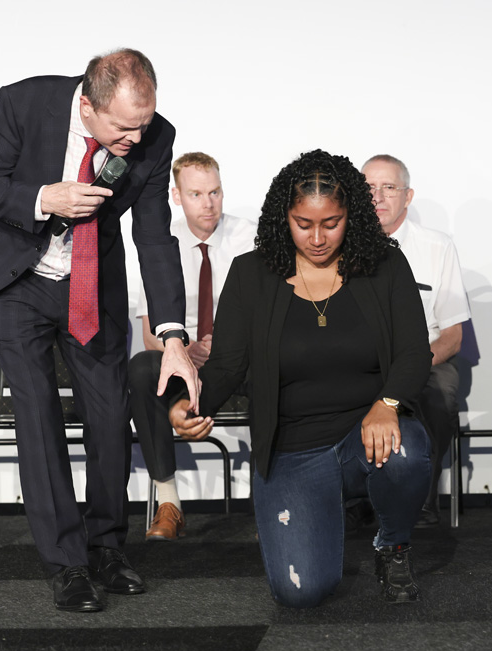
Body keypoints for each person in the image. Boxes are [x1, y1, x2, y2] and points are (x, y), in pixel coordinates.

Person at [0, 49, 198, 612]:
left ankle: (106, 548)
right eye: (123, 127)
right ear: (87, 106)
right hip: (16, 279)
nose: (136, 138)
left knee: (110, 416)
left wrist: (172, 337)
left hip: (90, 283)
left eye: (143, 124)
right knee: (38, 414)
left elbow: (154, 237)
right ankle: (66, 564)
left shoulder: (156, 136)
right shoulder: (24, 102)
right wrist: (44, 197)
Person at [170, 149, 432, 607]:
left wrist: (387, 403)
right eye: (303, 223)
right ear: (283, 218)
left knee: (406, 451)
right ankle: (323, 513)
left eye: (331, 223)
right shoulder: (251, 275)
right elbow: (227, 365)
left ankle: (392, 545)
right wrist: (190, 406)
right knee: (301, 593)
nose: (317, 238)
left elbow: (414, 352)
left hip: (365, 436)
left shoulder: (384, 266)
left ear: (352, 216)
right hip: (293, 449)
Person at [128, 152, 255, 540]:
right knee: (142, 367)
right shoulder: (160, 245)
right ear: (176, 196)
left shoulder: (251, 238)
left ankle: (272, 498)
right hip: (181, 359)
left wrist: (229, 348)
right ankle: (169, 503)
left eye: (215, 192)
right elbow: (150, 334)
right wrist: (184, 350)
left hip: (240, 361)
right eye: (196, 194)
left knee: (278, 370)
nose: (208, 203)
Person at [362, 154, 470, 527]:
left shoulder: (437, 247)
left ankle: (420, 499)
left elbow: (452, 337)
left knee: (438, 395)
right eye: (368, 188)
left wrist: (409, 368)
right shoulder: (338, 246)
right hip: (362, 364)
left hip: (427, 361)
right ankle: (355, 498)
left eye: (388, 187)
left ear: (408, 196)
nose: (377, 197)